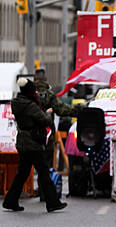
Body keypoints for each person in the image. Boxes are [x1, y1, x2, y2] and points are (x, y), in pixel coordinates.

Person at [2, 78, 67, 212]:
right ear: (30, 92)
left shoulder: (16, 103)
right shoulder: (30, 106)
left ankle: (10, 201)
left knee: (22, 173)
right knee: (43, 172)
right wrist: (48, 113)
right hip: (32, 143)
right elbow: (44, 121)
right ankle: (52, 202)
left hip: (22, 142)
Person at [34, 68, 82, 167]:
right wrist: (78, 111)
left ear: (34, 79)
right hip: (47, 136)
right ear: (46, 79)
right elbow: (62, 110)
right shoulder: (50, 95)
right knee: (47, 166)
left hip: (31, 136)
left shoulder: (28, 94)